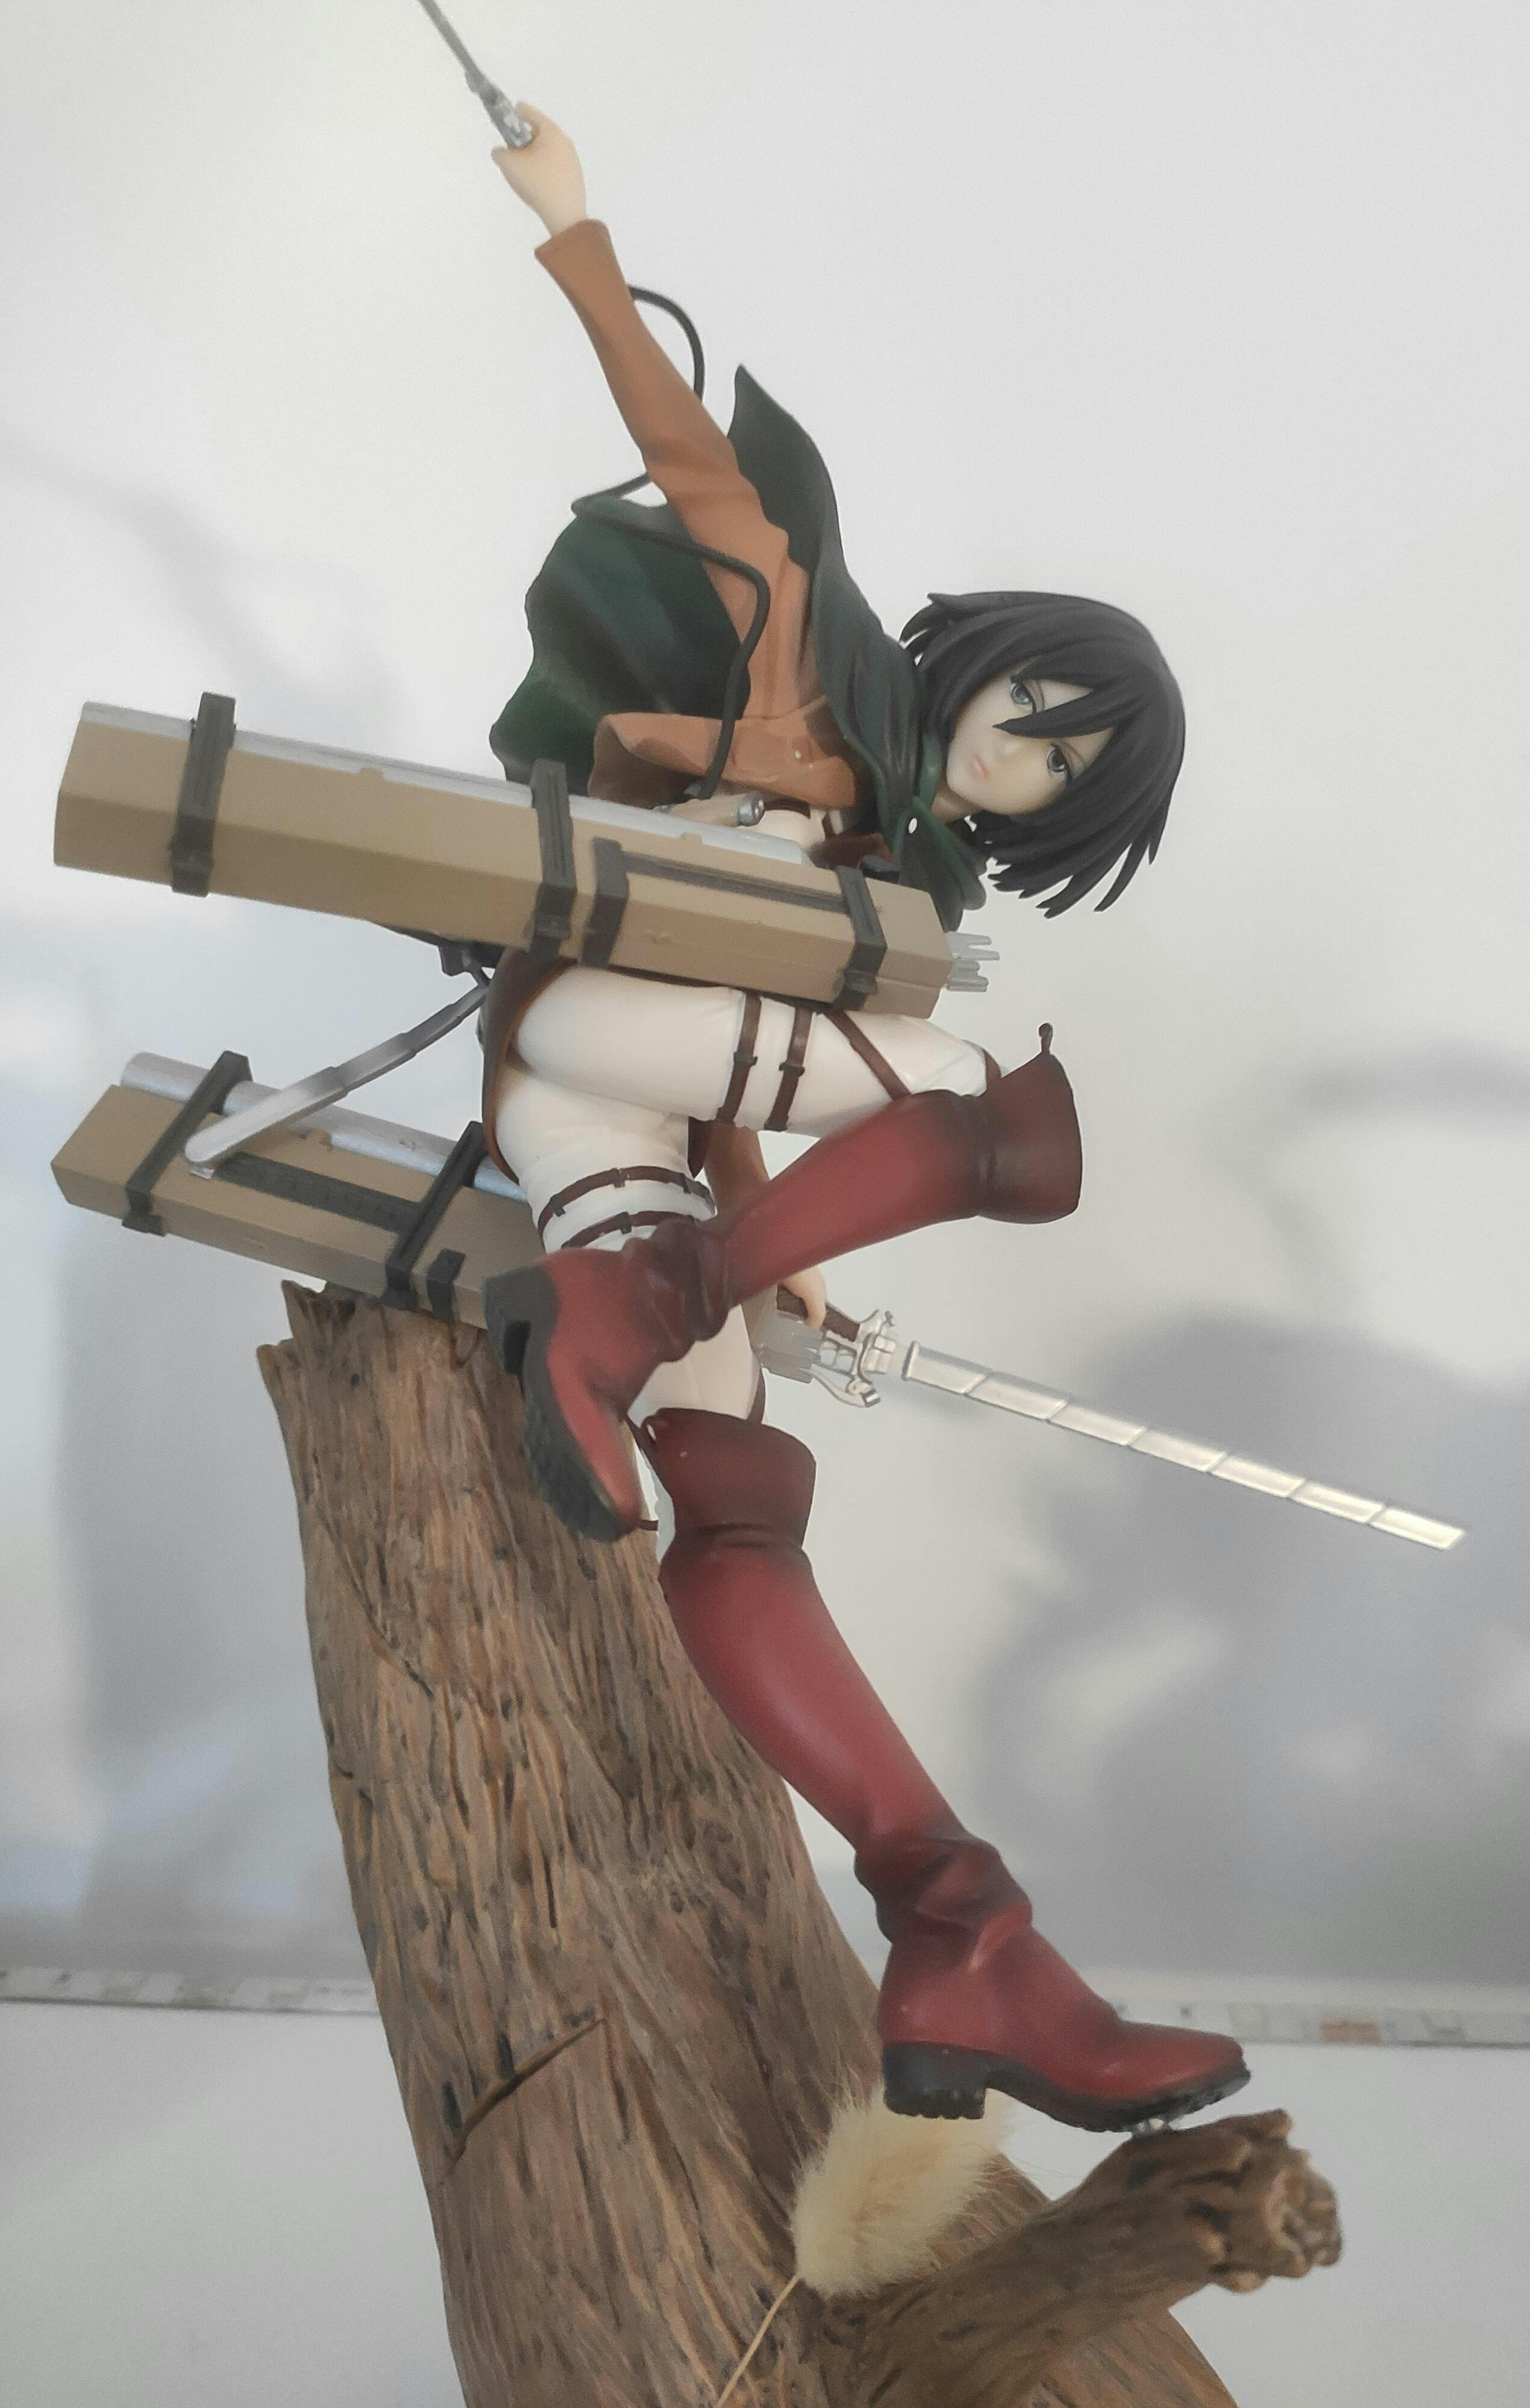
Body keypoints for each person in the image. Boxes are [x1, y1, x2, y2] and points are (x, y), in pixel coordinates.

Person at [479, 108, 1248, 2133]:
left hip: (620, 1129)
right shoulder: (818, 682)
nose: (1026, 761)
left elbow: (742, 1071)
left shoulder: (916, 885)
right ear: (995, 663)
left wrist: (769, 1263)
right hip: (579, 1017)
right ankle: (656, 1296)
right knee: (997, 1113)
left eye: (1067, 775)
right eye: (1040, 714)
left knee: (737, 1505)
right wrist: (577, 231)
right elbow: (697, 469)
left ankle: (957, 1925)